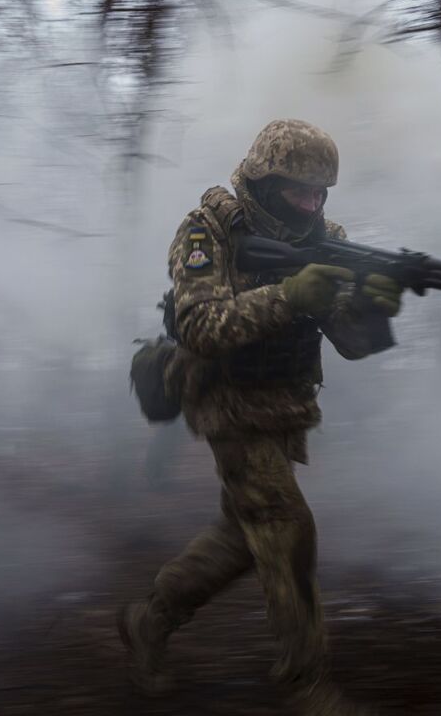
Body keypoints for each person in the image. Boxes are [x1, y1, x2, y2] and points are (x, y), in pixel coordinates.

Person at [119, 119, 402, 715]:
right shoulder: (209, 231)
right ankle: (305, 682)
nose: (314, 204)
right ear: (266, 183)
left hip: (283, 404)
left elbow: (351, 343)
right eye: (302, 191)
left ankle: (151, 619)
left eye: (322, 193)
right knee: (286, 524)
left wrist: (373, 312)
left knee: (245, 537)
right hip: (223, 397)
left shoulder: (325, 238)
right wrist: (290, 296)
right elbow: (199, 325)